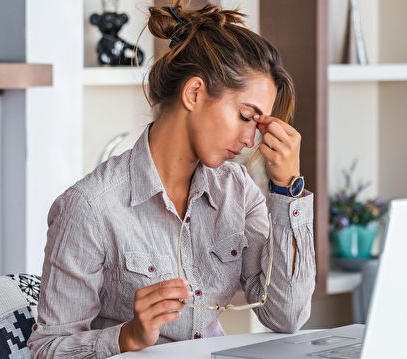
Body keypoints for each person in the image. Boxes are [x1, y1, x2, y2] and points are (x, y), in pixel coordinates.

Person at [27, 2, 316, 358]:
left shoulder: (238, 190)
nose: (250, 140)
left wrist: (288, 190)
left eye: (258, 125)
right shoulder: (90, 207)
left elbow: (286, 316)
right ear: (194, 93)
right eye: (244, 116)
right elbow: (47, 349)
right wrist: (127, 337)